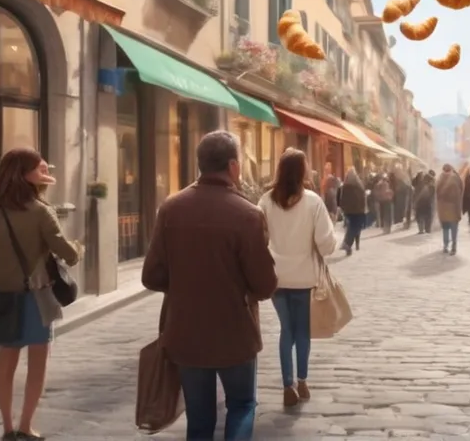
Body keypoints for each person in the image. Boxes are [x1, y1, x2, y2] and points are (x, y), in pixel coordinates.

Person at [142, 131, 278, 440]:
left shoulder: (171, 208)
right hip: (235, 331)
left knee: (200, 418)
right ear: (233, 166)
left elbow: (151, 275)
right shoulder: (247, 215)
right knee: (242, 405)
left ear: (200, 165)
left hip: (186, 331)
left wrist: (186, 285)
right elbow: (265, 284)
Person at [0, 148, 81, 441]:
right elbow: (67, 253)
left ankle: (6, 428)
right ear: (24, 174)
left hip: (2, 294)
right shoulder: (40, 210)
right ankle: (26, 426)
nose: (45, 172)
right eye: (39, 169)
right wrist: (79, 247)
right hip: (35, 296)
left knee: (6, 363)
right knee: (37, 364)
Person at [258, 149, 337, 407]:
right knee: (302, 330)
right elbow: (325, 243)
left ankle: (287, 385)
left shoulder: (266, 201)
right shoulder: (313, 202)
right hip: (304, 278)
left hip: (277, 277)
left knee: (286, 331)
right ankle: (302, 382)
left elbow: (259, 237)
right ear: (303, 171)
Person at [435, 164, 464, 255]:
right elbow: (460, 192)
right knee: (453, 228)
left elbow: (437, 193)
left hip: (443, 208)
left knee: (446, 228)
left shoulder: (440, 179)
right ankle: (453, 247)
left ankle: (445, 246)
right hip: (453, 208)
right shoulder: (456, 178)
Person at [339, 167, 367, 255]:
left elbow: (342, 198)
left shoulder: (345, 186)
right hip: (358, 210)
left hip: (348, 211)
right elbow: (363, 197)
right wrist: (364, 208)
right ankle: (347, 243)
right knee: (355, 227)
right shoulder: (359, 185)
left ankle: (349, 246)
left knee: (352, 226)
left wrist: (343, 208)